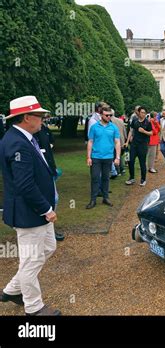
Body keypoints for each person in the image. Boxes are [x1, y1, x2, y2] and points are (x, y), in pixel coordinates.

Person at [0, 96, 60, 316]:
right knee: (32, 259)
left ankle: (12, 290)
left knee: (47, 248)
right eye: (40, 116)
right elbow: (25, 184)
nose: (43, 119)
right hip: (30, 212)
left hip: (33, 211)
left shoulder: (21, 138)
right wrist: (46, 209)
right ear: (27, 117)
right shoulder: (17, 142)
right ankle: (34, 307)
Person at [33, 117, 64, 241]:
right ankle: (44, 229)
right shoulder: (30, 135)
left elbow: (50, 143)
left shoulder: (44, 129)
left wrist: (52, 167)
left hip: (49, 170)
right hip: (40, 173)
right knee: (45, 199)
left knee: (53, 198)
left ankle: (49, 229)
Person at [86, 106, 121, 208]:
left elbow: (117, 142)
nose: (109, 117)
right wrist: (88, 157)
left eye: (110, 115)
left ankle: (105, 198)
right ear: (101, 115)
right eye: (107, 115)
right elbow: (90, 142)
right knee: (95, 178)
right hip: (95, 157)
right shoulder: (94, 127)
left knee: (106, 178)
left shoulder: (113, 127)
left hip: (108, 157)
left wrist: (117, 157)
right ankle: (93, 200)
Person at [125, 106, 152, 186]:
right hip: (134, 144)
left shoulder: (148, 122)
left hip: (143, 145)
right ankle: (132, 178)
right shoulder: (135, 120)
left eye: (144, 113)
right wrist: (127, 142)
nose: (143, 114)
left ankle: (143, 179)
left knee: (142, 163)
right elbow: (131, 131)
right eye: (141, 112)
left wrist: (144, 131)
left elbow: (151, 133)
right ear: (138, 113)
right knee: (130, 161)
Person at [110, 109, 127, 176]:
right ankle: (122, 169)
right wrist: (125, 140)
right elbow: (124, 131)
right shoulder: (120, 120)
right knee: (119, 155)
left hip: (114, 141)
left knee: (115, 156)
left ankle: (118, 170)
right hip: (121, 140)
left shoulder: (110, 121)